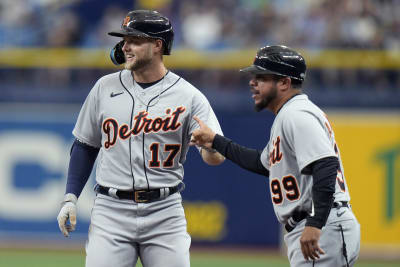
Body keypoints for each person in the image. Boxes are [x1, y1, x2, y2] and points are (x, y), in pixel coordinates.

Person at [57, 9, 225, 267]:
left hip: (165, 212)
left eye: (134, 40)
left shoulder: (189, 96)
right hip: (111, 211)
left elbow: (215, 158)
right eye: (125, 40)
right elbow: (85, 145)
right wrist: (71, 197)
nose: (125, 46)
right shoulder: (104, 88)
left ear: (158, 45)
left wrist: (211, 148)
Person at [190, 45, 360, 267]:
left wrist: (315, 224)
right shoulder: (288, 115)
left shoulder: (296, 115)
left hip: (323, 225)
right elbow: (262, 163)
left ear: (284, 83)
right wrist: (215, 141)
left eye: (261, 77)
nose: (253, 82)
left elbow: (326, 165)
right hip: (319, 224)